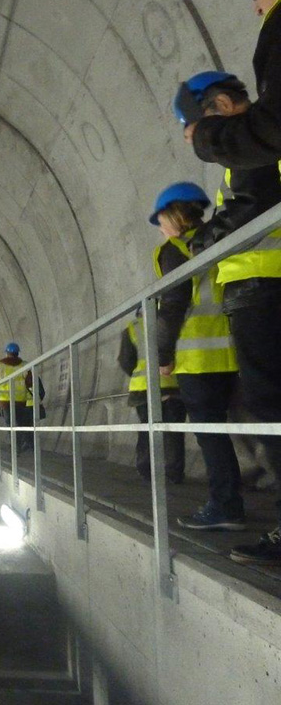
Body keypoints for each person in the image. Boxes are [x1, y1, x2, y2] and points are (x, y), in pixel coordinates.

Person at [177, 0, 281, 565]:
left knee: (272, 406)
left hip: (263, 288)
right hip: (260, 289)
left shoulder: (247, 151)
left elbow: (248, 209)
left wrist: (204, 243)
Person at [150, 183, 244, 530]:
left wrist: (163, 355)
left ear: (174, 215)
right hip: (232, 354)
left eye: (161, 219)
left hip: (196, 358)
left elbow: (171, 305)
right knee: (227, 432)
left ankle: (225, 506)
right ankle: (230, 501)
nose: (160, 227)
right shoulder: (216, 239)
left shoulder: (173, 250)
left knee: (210, 435)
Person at [117, 308, 186, 483]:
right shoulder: (173, 322)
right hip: (172, 386)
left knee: (147, 430)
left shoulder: (132, 328)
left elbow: (125, 360)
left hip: (143, 389)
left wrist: (137, 373)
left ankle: (145, 469)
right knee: (173, 432)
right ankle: (174, 472)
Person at [0, 343, 34, 453]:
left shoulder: (0, 365)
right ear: (17, 353)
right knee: (20, 423)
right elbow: (30, 382)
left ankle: (14, 447)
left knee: (10, 424)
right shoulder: (24, 365)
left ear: (7, 353)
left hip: (5, 400)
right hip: (21, 400)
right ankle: (21, 444)